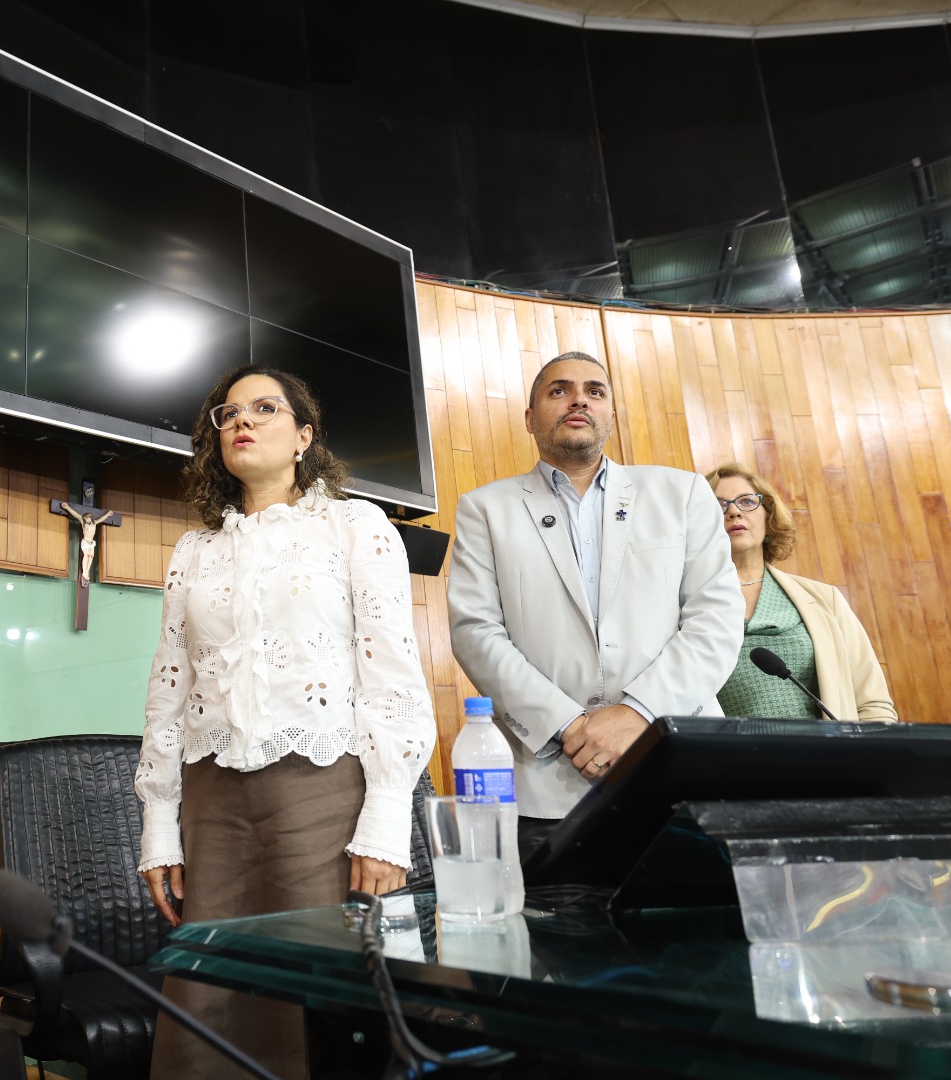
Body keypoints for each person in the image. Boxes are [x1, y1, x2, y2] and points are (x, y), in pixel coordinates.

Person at [135, 365, 434, 1079]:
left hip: (325, 794)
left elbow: (392, 676)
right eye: (228, 413)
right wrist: (159, 827)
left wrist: (386, 820)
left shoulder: (356, 525)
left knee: (324, 1000)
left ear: (304, 436)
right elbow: (169, 691)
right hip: (213, 803)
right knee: (210, 999)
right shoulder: (194, 550)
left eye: (265, 408)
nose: (241, 420)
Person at [447, 351, 740, 855]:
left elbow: (715, 620)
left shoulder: (683, 493)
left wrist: (638, 714)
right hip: (548, 784)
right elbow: (475, 632)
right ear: (530, 418)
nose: (579, 399)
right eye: (559, 390)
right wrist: (569, 726)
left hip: (678, 769)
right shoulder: (485, 509)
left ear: (611, 414)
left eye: (595, 391)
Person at [707, 462, 896, 721]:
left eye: (747, 501)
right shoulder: (684, 606)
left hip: (825, 746)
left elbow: (872, 704)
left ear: (768, 518)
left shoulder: (825, 600)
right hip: (723, 747)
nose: (734, 512)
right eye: (718, 505)